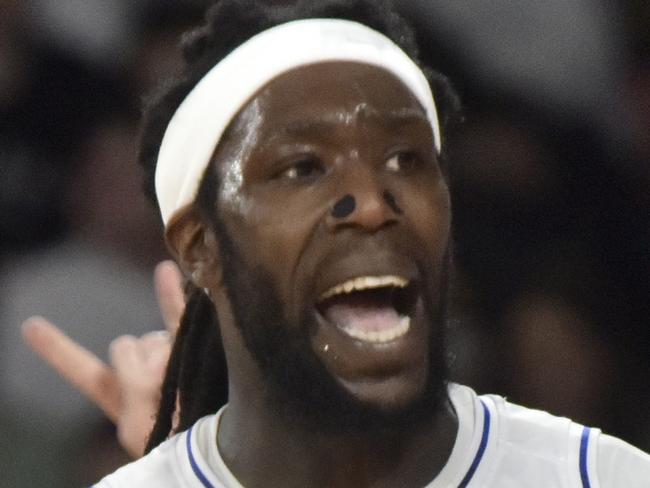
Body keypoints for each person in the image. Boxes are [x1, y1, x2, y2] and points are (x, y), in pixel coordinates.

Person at [23, 0, 650, 486]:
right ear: (199, 247)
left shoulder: (598, 476)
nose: (374, 201)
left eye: (407, 160)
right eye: (302, 167)